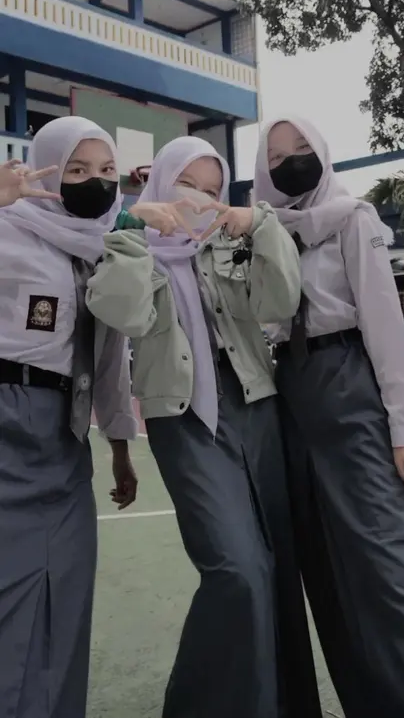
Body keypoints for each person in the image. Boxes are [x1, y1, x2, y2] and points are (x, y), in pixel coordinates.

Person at [86, 135, 323, 718]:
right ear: (162, 184)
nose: (198, 200)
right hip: (183, 417)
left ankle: (283, 703)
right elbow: (121, 314)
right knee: (237, 569)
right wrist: (134, 227)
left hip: (255, 404)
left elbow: (279, 303)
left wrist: (259, 224)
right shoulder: (129, 245)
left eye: (212, 190)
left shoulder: (229, 243)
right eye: (186, 186)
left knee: (276, 560)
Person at [253, 116, 404, 718]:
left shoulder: (352, 219)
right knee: (325, 569)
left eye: (302, 149)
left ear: (323, 153)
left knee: (391, 570)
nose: (291, 162)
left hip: (349, 379)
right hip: (291, 396)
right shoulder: (266, 232)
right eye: (276, 157)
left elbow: (384, 326)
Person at [0, 117, 138, 718]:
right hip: (6, 421)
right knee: (10, 594)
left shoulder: (106, 251)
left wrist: (120, 446)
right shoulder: (8, 226)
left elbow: (110, 359)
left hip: (65, 432)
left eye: (106, 171)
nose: (94, 183)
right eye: (76, 170)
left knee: (66, 590)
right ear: (48, 171)